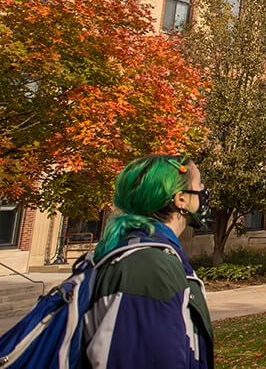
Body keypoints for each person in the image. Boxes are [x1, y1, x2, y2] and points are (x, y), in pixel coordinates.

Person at [83, 154, 214, 369]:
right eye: (199, 183)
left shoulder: (143, 252)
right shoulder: (148, 267)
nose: (203, 191)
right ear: (181, 198)